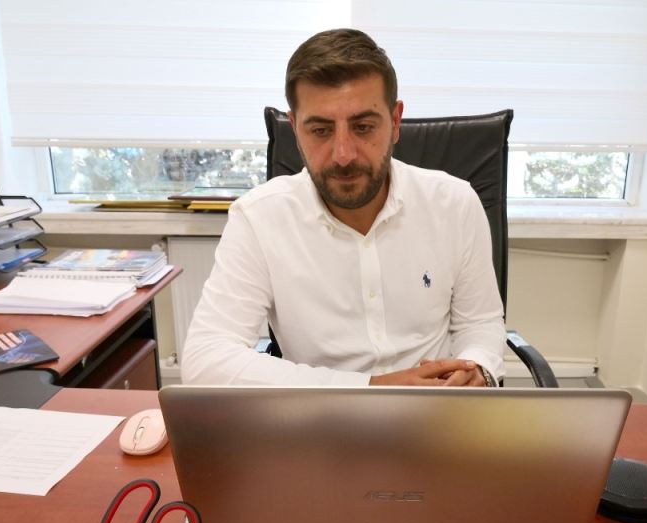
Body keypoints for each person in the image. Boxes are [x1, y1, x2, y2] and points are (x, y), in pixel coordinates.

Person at [182, 28, 505, 387]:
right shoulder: (259, 218)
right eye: (320, 131)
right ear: (295, 128)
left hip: (438, 409)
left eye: (363, 127)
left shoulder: (454, 203)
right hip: (320, 416)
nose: (343, 155)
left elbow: (480, 323)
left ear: (395, 121)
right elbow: (205, 359)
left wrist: (478, 367)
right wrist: (373, 388)